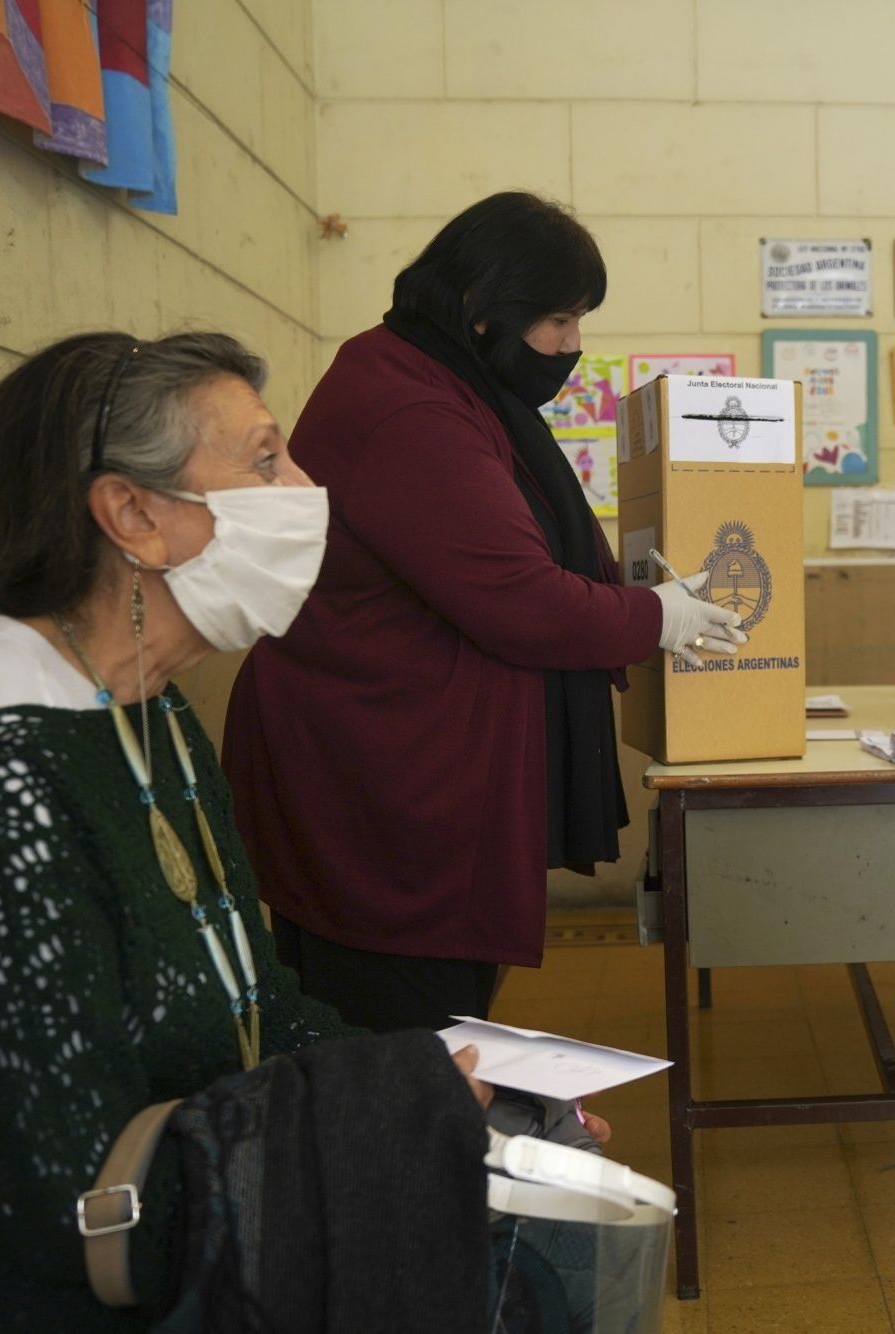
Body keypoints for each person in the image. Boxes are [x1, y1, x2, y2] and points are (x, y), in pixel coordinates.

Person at [0, 333, 505, 1326]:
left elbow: (250, 996)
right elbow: (70, 1196)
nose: (303, 486)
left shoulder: (148, 702)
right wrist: (388, 1130)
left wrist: (447, 1091)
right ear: (134, 515)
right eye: (264, 460)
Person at [223, 192, 742, 1034]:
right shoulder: (412, 409)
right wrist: (657, 618)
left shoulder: (447, 384)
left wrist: (640, 589)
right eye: (559, 321)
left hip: (412, 762)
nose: (573, 346)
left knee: (433, 1034)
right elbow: (521, 601)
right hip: (384, 786)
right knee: (403, 1042)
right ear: (480, 309)